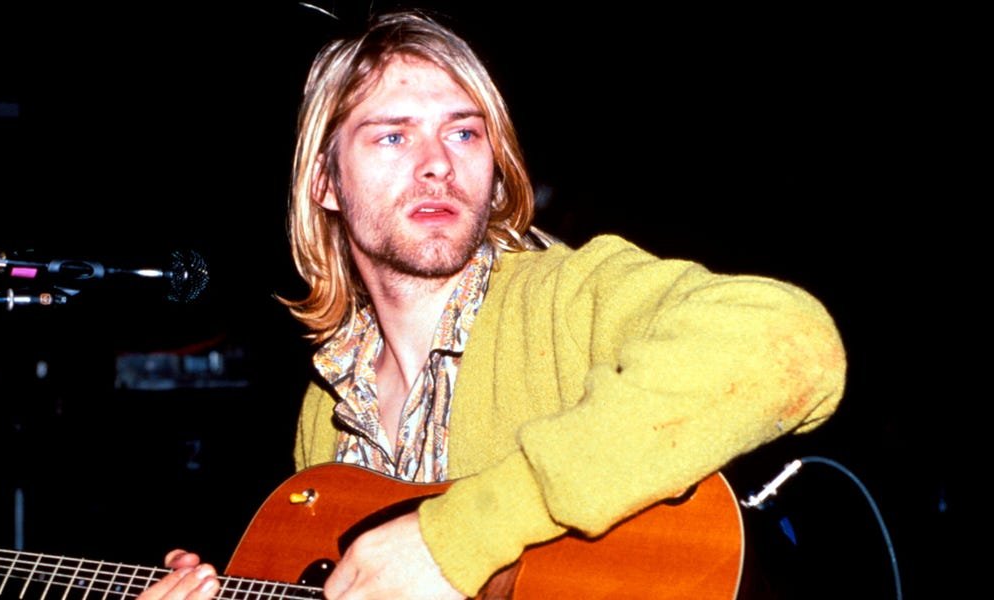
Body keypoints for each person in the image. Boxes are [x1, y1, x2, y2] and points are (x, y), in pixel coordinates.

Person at [141, 9, 846, 599]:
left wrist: (460, 535)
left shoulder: (565, 299)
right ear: (325, 183)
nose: (438, 163)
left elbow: (790, 343)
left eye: (464, 132)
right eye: (393, 135)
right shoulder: (325, 410)